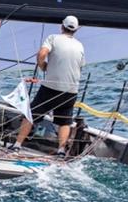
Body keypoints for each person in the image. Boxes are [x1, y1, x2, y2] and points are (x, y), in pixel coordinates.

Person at [10, 15, 86, 157]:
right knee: (65, 120)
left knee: (31, 114)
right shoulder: (80, 45)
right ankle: (61, 151)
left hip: (51, 87)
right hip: (71, 90)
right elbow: (80, 66)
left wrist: (43, 66)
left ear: (62, 26)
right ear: (75, 30)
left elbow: (42, 53)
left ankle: (17, 145)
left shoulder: (53, 38)